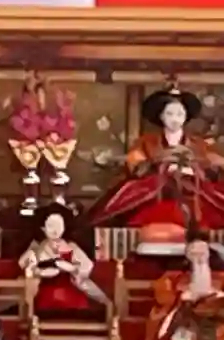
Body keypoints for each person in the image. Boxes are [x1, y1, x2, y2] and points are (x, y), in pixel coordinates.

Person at [89, 83, 224, 230]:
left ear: (186, 117)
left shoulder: (198, 144)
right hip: (155, 186)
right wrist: (160, 167)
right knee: (129, 195)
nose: (175, 119)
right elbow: (136, 165)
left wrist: (194, 170)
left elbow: (211, 166)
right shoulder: (146, 142)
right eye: (169, 114)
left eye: (180, 114)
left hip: (191, 187)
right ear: (161, 116)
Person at [18, 204, 105, 316]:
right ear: (43, 228)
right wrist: (39, 272)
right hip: (44, 291)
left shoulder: (71, 246)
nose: (55, 230)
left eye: (59, 225)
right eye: (51, 226)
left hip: (71, 290)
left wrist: (72, 268)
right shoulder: (37, 247)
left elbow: (87, 265)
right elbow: (24, 264)